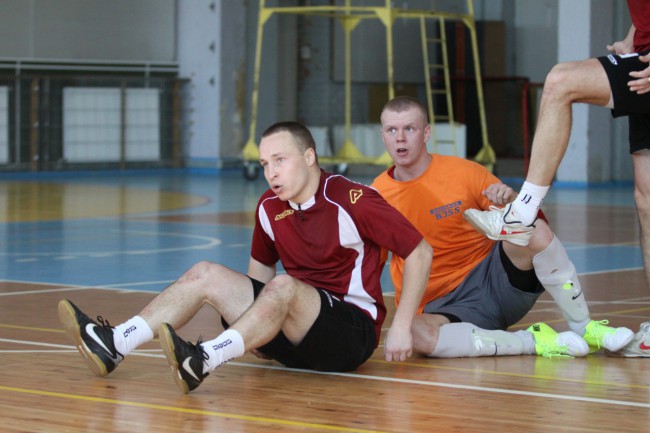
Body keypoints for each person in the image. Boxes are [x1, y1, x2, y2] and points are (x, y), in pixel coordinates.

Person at [58, 121, 433, 394]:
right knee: (205, 272)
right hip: (293, 333)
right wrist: (257, 333)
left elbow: (419, 251)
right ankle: (115, 343)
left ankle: (204, 358)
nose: (270, 172)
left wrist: (401, 325)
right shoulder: (269, 207)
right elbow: (259, 276)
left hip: (349, 333)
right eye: (265, 163)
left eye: (279, 160)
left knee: (284, 285)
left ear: (309, 157)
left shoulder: (352, 199)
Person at [370, 96, 634, 359]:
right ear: (383, 136)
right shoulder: (376, 197)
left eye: (409, 128)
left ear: (426, 133)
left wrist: (510, 202)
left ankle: (584, 327)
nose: (400, 138)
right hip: (440, 307)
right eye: (391, 130)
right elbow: (370, 266)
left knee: (533, 230)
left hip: (495, 282)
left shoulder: (465, 173)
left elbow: (535, 219)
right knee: (416, 334)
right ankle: (533, 341)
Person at [462, 3, 650, 357]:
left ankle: (521, 213)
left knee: (561, 81)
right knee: (647, 202)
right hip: (642, 60)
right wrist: (632, 38)